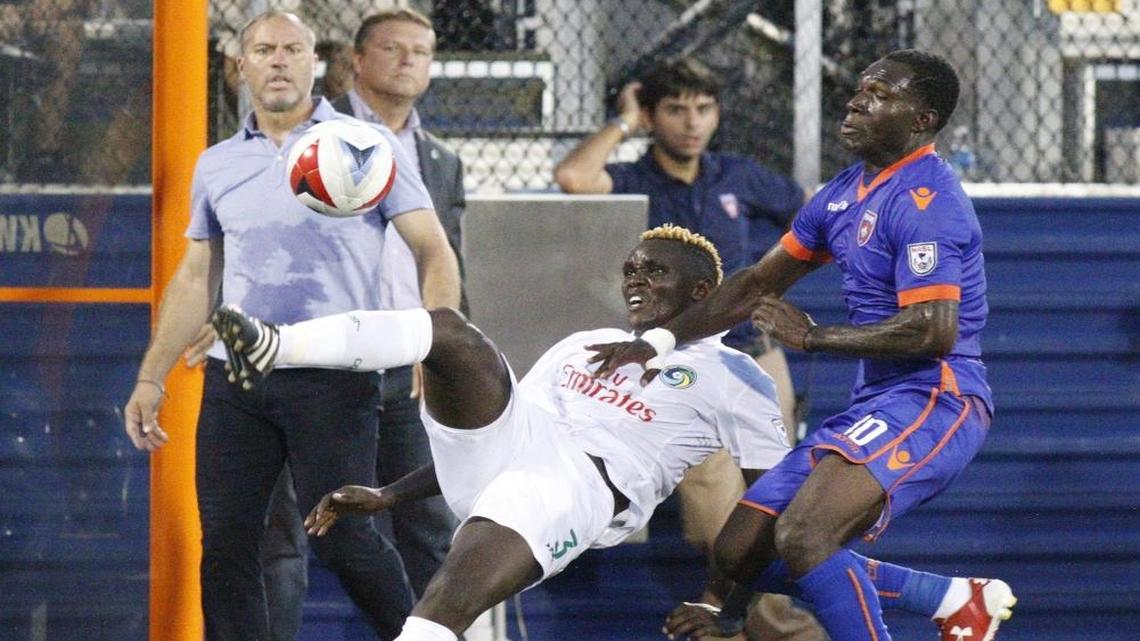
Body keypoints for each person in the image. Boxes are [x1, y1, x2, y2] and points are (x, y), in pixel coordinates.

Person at [587, 50, 1016, 641]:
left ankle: (942, 603)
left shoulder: (929, 202)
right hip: (879, 401)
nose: (858, 99)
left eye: (882, 93)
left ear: (921, 120)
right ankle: (950, 598)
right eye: (861, 86)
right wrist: (658, 341)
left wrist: (811, 337)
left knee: (805, 537)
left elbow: (934, 330)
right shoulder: (843, 193)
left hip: (937, 397)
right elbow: (757, 283)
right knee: (737, 551)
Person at [211, 224, 794, 641]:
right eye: (631, 269)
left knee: (432, 619)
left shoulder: (737, 376)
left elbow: (769, 501)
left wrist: (727, 603)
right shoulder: (585, 345)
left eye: (655, 270)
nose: (636, 280)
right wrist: (391, 494)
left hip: (581, 485)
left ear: (700, 294)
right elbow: (507, 428)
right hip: (509, 455)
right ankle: (278, 345)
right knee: (451, 332)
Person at [121, 10, 461, 641]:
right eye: (264, 49)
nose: (278, 60)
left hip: (334, 377)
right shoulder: (217, 164)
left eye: (293, 49)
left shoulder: (365, 146)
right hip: (238, 377)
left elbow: (433, 249)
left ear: (316, 64)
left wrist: (431, 338)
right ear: (240, 66)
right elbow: (196, 277)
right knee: (225, 546)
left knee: (343, 538)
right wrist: (151, 377)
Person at [554, 56, 820, 640]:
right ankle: (769, 627)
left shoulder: (739, 176)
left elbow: (812, 215)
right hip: (679, 373)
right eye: (675, 109)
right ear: (652, 115)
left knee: (786, 509)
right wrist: (624, 123)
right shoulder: (633, 180)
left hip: (755, 357)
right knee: (715, 521)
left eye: (703, 108)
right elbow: (573, 177)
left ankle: (776, 626)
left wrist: (775, 286)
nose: (692, 122)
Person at [257, 9, 468, 639]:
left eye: (421, 51)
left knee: (426, 523)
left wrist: (444, 348)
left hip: (406, 364)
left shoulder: (439, 158)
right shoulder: (301, 135)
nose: (408, 61)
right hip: (313, 359)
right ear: (355, 60)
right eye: (393, 48)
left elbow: (444, 256)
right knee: (295, 526)